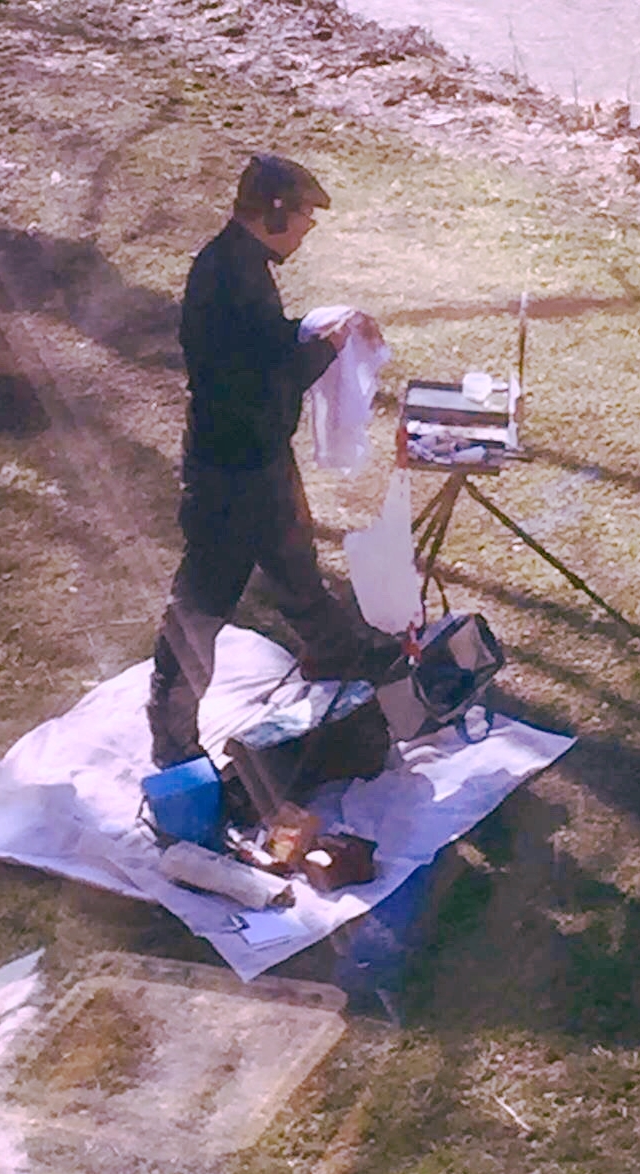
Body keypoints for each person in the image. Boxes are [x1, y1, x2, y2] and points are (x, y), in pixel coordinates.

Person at [147, 152, 390, 768]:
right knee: (206, 597)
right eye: (305, 216)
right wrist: (327, 347)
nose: (308, 230)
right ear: (275, 213)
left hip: (259, 458)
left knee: (293, 563)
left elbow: (267, 340)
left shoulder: (241, 263)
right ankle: (171, 731)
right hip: (229, 470)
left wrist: (320, 327)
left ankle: (339, 654)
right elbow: (266, 376)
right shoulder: (227, 275)